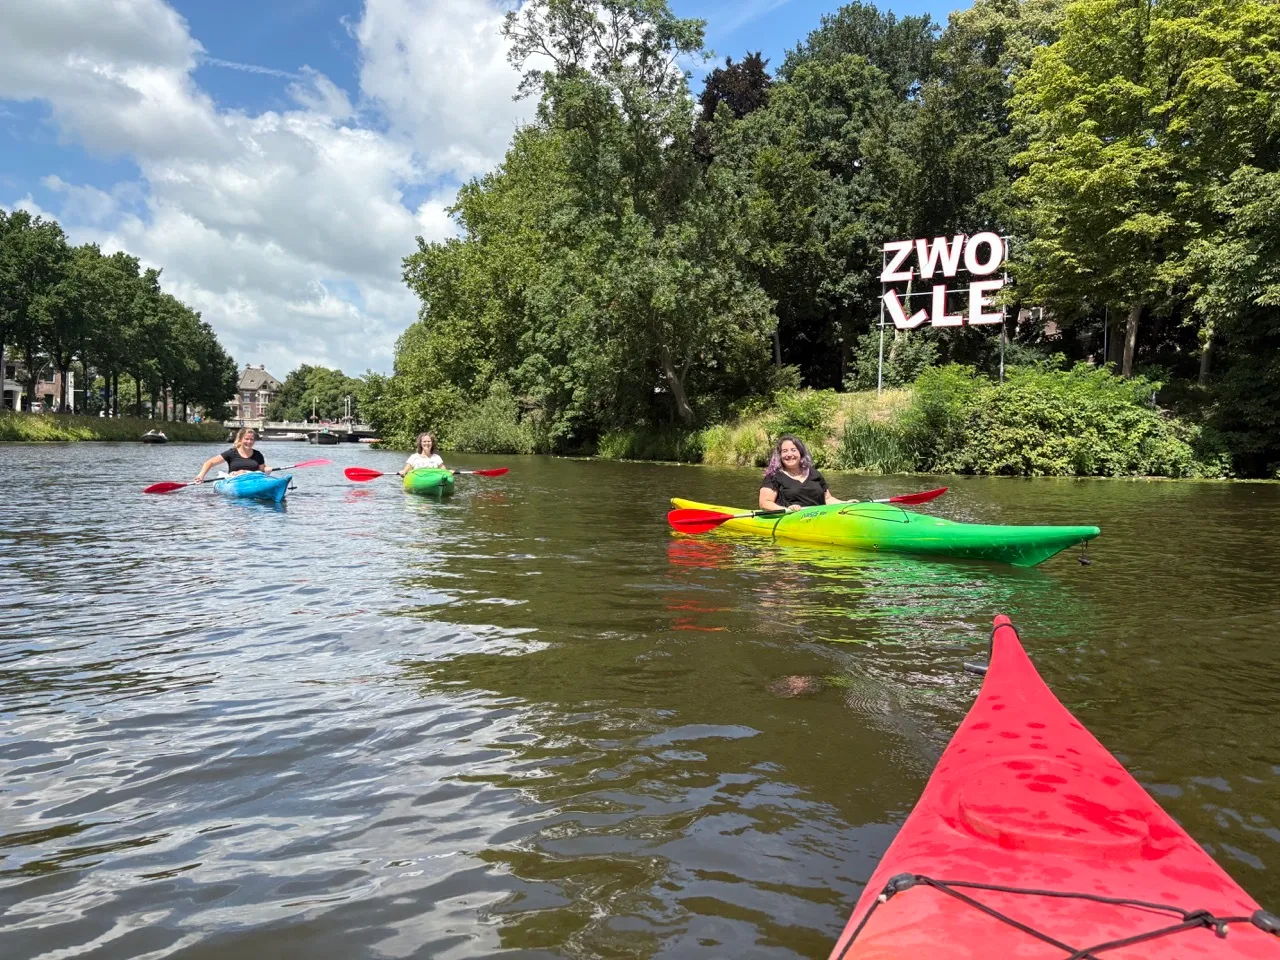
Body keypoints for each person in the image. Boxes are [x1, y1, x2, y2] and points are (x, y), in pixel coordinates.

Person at [759, 434, 845, 512]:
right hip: (790, 518)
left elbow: (828, 499)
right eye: (785, 451)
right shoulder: (773, 477)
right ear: (780, 455)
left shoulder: (814, 474)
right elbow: (765, 503)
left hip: (819, 517)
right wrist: (787, 509)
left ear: (800, 453)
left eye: (793, 450)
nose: (789, 454)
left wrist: (846, 503)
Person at [193, 427, 271, 483]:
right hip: (235, 482)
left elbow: (262, 470)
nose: (249, 442)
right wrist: (201, 475)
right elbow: (210, 462)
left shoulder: (258, 454)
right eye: (246, 439)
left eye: (252, 439)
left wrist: (267, 469)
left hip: (253, 482)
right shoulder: (232, 453)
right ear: (240, 439)